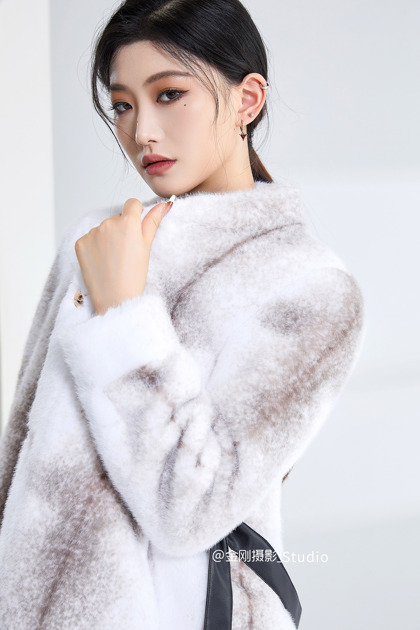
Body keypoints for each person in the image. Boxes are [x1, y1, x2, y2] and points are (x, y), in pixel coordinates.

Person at [0, 0, 366, 628]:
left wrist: (124, 316)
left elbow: (192, 509)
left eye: (169, 94)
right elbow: (21, 446)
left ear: (247, 100)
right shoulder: (97, 239)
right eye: (122, 104)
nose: (142, 130)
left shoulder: (311, 286)